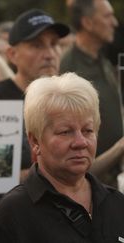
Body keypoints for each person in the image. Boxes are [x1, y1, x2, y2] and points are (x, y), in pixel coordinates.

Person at [0, 72, 124, 242]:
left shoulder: (117, 204)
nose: (80, 142)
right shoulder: (9, 217)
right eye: (65, 132)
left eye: (87, 130)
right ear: (35, 141)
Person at [0, 9, 70, 181]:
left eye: (54, 43)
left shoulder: (69, 97)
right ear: (12, 54)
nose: (50, 54)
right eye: (37, 45)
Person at [60, 0, 123, 187]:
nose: (115, 22)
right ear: (87, 23)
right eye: (107, 16)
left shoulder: (103, 61)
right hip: (90, 185)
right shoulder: (69, 67)